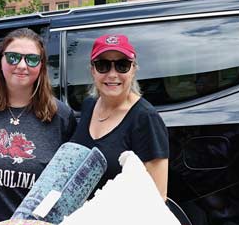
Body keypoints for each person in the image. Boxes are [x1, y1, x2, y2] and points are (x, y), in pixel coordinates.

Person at [0, 28, 77, 225]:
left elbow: (66, 187)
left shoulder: (60, 115)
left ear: (41, 65)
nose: (22, 66)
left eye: (32, 59)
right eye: (13, 57)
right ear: (1, 61)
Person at [70, 34, 169, 199]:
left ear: (133, 70)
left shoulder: (145, 118)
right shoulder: (89, 105)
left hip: (121, 222)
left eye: (122, 65)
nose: (112, 74)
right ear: (92, 70)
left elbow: (158, 197)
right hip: (81, 219)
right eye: (103, 65)